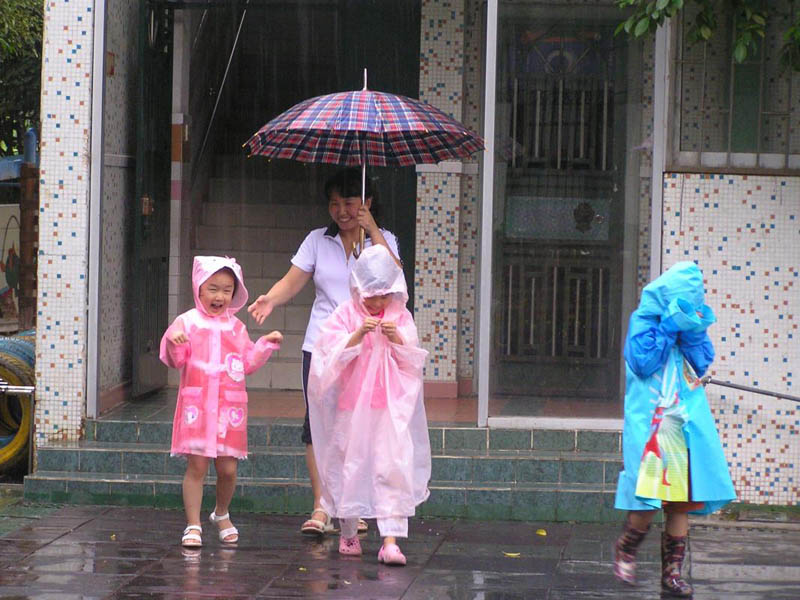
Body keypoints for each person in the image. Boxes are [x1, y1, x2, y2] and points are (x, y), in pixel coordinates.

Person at [248, 167, 402, 535]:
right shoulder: (318, 240)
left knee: (358, 426)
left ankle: (353, 505)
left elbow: (396, 278)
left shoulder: (383, 241)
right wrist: (271, 298)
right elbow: (293, 281)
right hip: (321, 346)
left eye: (349, 202)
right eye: (334, 204)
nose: (341, 211)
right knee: (317, 424)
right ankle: (321, 507)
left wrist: (373, 230)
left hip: (366, 345)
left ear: (367, 202)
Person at [613, 261, 736, 597]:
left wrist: (692, 332)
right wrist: (668, 328)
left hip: (681, 426)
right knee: (646, 504)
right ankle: (627, 547)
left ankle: (672, 575)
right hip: (651, 428)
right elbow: (642, 363)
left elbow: (701, 362)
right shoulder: (643, 322)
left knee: (679, 503)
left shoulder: (690, 328)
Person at [307, 244, 430, 564]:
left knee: (392, 466)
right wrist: (357, 335)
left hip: (389, 407)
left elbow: (413, 361)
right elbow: (326, 357)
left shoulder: (400, 316)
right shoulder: (345, 315)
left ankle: (390, 540)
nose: (377, 303)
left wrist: (397, 338)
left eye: (383, 295)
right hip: (351, 407)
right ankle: (348, 533)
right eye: (371, 296)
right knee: (350, 466)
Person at [160, 256, 283, 548]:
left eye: (227, 290)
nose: (220, 296)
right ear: (199, 288)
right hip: (199, 409)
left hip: (228, 410)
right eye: (213, 289)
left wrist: (265, 344)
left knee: (228, 469)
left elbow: (247, 362)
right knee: (197, 466)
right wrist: (174, 341)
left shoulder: (236, 327)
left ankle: (221, 513)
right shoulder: (187, 322)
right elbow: (177, 361)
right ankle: (193, 524)